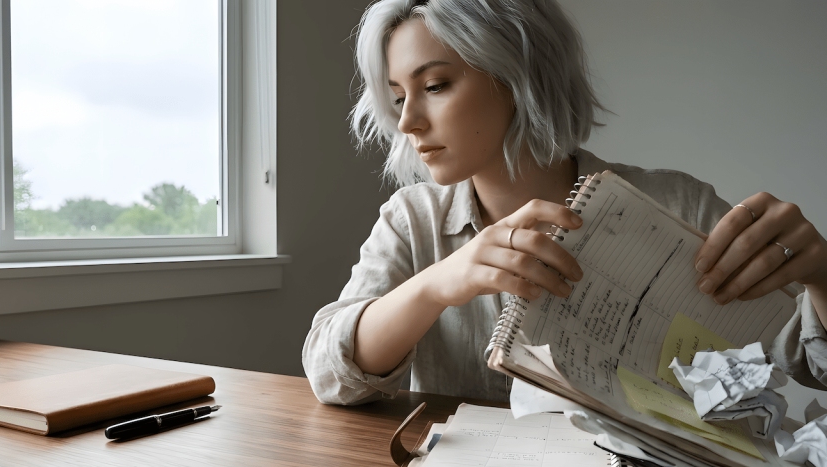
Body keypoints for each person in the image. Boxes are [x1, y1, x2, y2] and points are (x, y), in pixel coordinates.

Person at [302, 0, 827, 405]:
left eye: (434, 85)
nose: (408, 120)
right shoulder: (411, 222)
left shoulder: (677, 206)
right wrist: (439, 283)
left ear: (517, 75)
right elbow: (330, 374)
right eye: (397, 97)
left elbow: (809, 362)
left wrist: (821, 276)